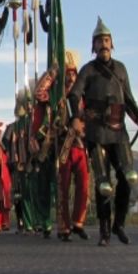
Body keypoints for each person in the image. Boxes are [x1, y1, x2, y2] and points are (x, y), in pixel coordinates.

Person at [67, 17, 138, 246]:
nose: (104, 44)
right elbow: (74, 94)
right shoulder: (88, 70)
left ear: (112, 43)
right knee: (103, 184)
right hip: (97, 133)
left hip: (118, 131)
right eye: (99, 41)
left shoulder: (121, 69)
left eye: (107, 40)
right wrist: (75, 117)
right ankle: (104, 229)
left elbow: (128, 99)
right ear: (93, 46)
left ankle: (118, 223)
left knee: (128, 177)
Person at [56, 50, 89, 242]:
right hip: (64, 146)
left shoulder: (82, 97)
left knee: (84, 185)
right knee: (64, 187)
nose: (70, 77)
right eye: (67, 73)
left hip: (80, 144)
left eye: (73, 73)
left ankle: (78, 222)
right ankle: (64, 226)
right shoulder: (58, 98)